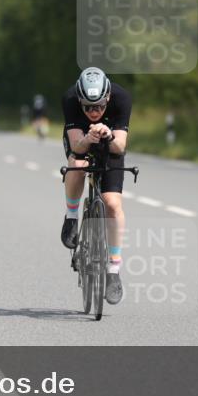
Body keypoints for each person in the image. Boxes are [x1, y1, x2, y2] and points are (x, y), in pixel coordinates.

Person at [60, 68, 132, 306]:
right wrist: (87, 139)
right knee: (77, 165)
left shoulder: (122, 98)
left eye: (99, 106)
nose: (94, 112)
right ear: (79, 100)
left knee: (112, 204)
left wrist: (108, 136)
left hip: (110, 143)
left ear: (108, 98)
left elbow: (120, 147)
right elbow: (76, 146)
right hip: (81, 140)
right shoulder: (70, 98)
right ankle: (72, 217)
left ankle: (113, 270)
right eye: (88, 107)